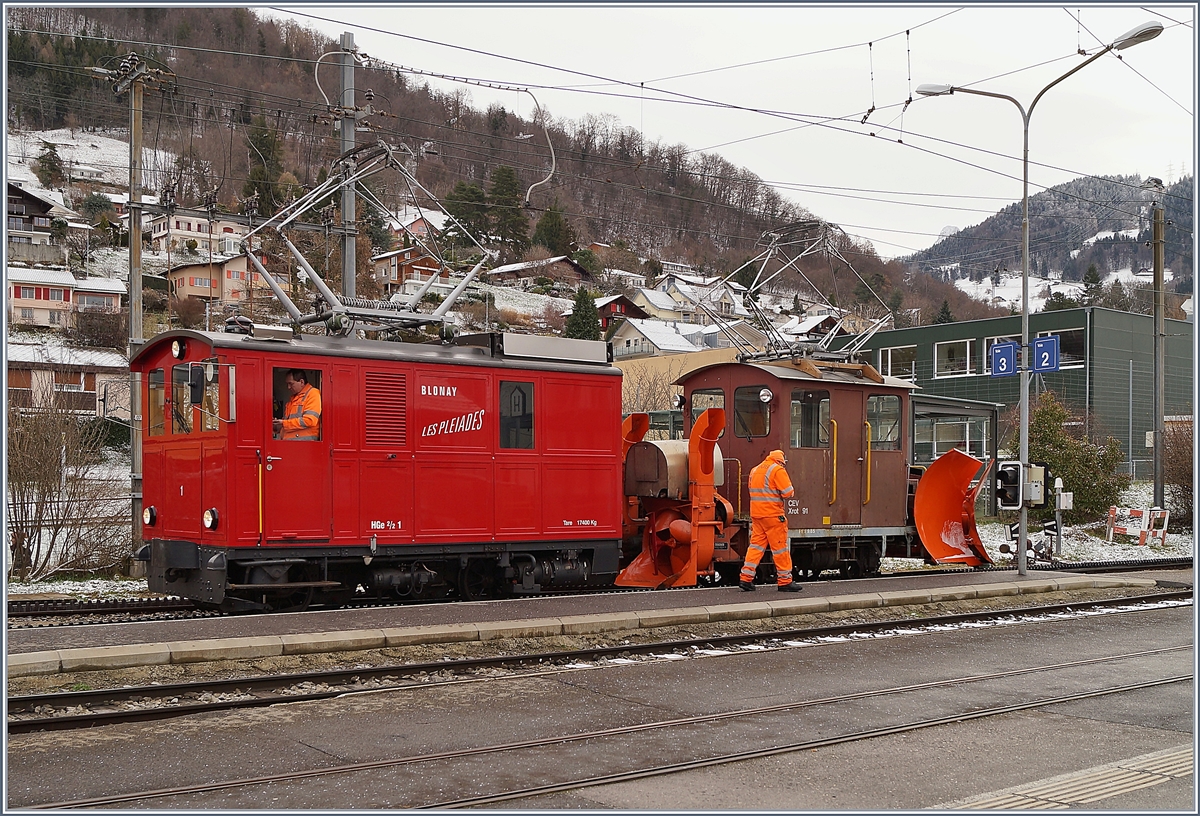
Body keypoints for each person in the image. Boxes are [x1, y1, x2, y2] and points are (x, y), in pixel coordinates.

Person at [740, 449, 802, 592]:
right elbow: (788, 492)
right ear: (781, 461)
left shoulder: (755, 470)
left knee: (755, 547)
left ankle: (745, 578)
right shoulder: (777, 470)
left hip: (757, 515)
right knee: (780, 549)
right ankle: (785, 581)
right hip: (773, 516)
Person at [274, 369, 321, 441]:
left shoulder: (313, 394)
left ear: (302, 382)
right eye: (287, 384)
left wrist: (283, 423)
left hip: (304, 444)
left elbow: (309, 421)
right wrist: (277, 425)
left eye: (291, 384)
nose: (288, 387)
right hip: (291, 443)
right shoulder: (294, 398)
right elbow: (289, 424)